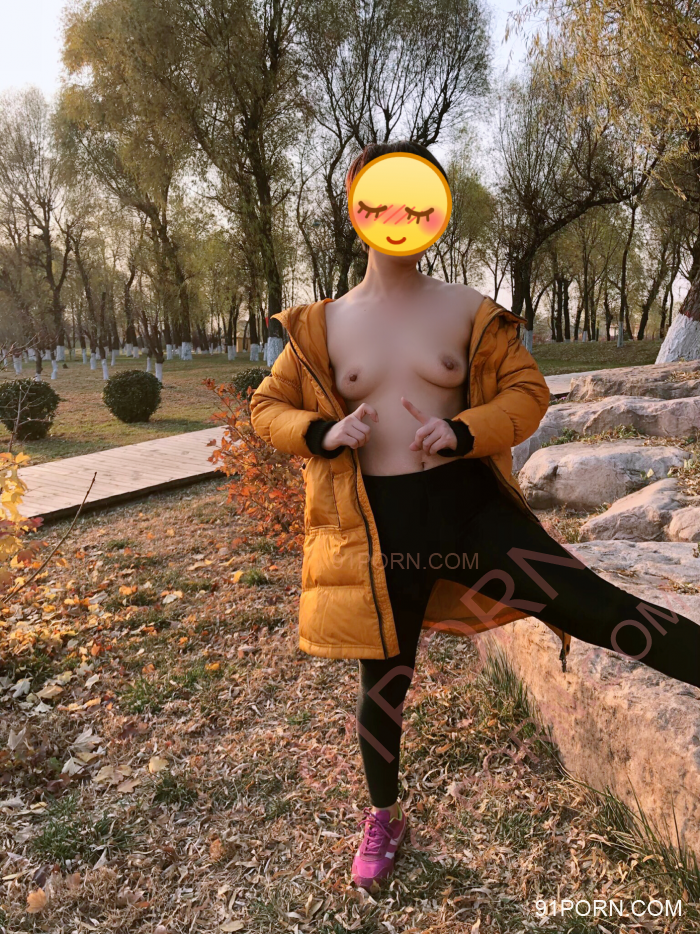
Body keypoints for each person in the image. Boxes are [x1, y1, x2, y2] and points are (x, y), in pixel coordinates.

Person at [250, 140, 700, 893]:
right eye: (384, 197)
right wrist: (323, 432)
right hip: (378, 530)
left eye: (418, 198)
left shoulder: (469, 311)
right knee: (384, 683)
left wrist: (462, 431)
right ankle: (385, 816)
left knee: (597, 607)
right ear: (356, 205)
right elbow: (266, 407)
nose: (401, 214)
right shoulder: (321, 326)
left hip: (470, 512)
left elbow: (528, 394)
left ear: (437, 210)